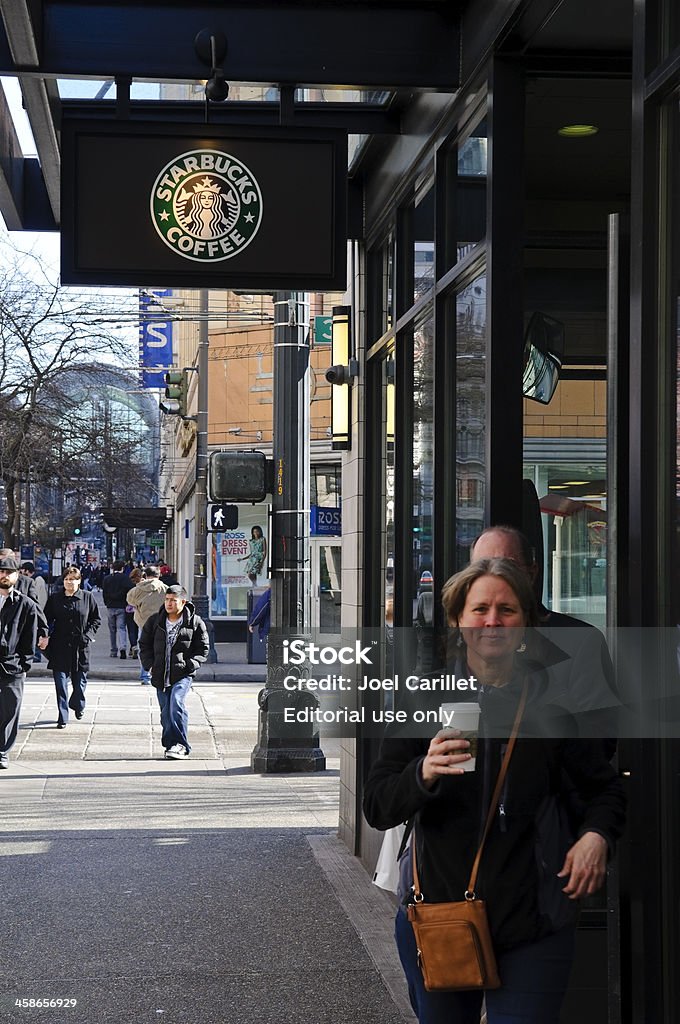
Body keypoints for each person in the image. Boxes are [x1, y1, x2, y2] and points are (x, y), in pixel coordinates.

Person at [363, 557, 625, 1024]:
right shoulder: (424, 699)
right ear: (457, 620)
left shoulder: (552, 707)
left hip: (534, 923)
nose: (492, 621)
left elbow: (605, 792)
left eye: (507, 610)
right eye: (479, 608)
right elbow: (378, 805)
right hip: (439, 915)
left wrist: (595, 838)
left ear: (525, 625)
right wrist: (422, 772)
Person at [139, 584, 209, 760]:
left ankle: (181, 745)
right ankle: (170, 745)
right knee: (165, 713)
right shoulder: (155, 621)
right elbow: (144, 644)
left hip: (182, 673)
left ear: (183, 602)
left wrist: (190, 664)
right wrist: (150, 664)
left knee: (176, 704)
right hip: (160, 674)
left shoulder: (194, 622)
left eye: (173, 600)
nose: (169, 603)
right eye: (167, 599)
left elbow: (203, 649)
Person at [38, 567, 101, 728]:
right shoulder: (55, 598)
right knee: (60, 684)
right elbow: (46, 620)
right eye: (67, 579)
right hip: (60, 646)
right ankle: (63, 716)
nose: (69, 582)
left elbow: (96, 619)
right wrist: (44, 636)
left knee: (79, 683)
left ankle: (78, 704)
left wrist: (88, 636)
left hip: (81, 646)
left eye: (73, 579)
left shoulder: (87, 597)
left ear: (79, 581)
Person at [0, 556, 40, 769]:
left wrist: (24, 663)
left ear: (17, 576)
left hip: (12, 664)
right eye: (1, 571)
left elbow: (29, 637)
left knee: (10, 708)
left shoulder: (25, 604)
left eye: (9, 572)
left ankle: (2, 750)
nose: (4, 575)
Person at [126, 565, 168, 684]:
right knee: (161, 648)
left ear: (145, 575)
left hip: (143, 622)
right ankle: (160, 673)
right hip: (161, 623)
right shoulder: (165, 588)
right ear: (159, 575)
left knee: (144, 648)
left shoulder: (138, 588)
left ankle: (145, 675)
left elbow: (130, 600)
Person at [102, 559, 131, 658]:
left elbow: (104, 592)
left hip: (110, 606)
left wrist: (107, 602)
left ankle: (113, 650)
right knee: (121, 628)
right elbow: (130, 590)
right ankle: (123, 648)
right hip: (121, 606)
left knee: (112, 630)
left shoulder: (107, 579)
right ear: (122, 568)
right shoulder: (125, 579)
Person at [125, 566, 144, 657]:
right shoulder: (143, 585)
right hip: (141, 610)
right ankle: (139, 646)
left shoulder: (127, 584)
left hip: (129, 609)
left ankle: (133, 646)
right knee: (140, 628)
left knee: (131, 630)